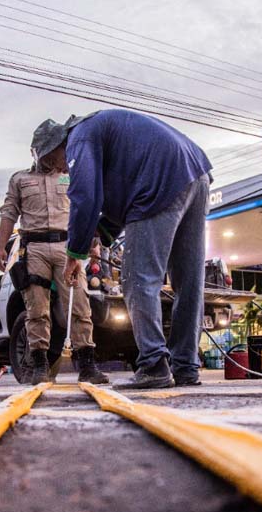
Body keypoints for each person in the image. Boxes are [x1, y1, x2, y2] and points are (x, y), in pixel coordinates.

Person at [30, 110, 212, 389]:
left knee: (138, 278)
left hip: (160, 180)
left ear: (59, 144)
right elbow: (116, 196)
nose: (60, 170)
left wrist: (75, 253)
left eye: (53, 162)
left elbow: (85, 197)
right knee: (189, 282)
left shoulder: (79, 137)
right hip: (195, 176)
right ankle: (186, 366)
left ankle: (154, 364)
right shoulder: (102, 132)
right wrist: (98, 234)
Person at [0, 150, 109, 386]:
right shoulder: (20, 179)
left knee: (79, 304)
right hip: (34, 248)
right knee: (36, 308)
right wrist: (0, 247)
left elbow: (84, 209)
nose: (60, 157)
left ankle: (87, 365)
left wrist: (93, 243)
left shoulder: (71, 176)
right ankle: (39, 365)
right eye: (54, 151)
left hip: (68, 248)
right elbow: (9, 213)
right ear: (38, 151)